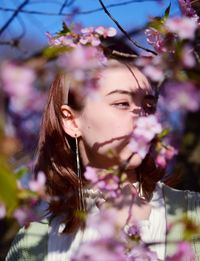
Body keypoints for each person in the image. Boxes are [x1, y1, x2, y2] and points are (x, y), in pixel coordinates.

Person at [6, 37, 200, 261]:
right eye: (122, 103)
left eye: (149, 107)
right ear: (71, 121)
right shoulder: (32, 245)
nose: (140, 119)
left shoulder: (192, 215)